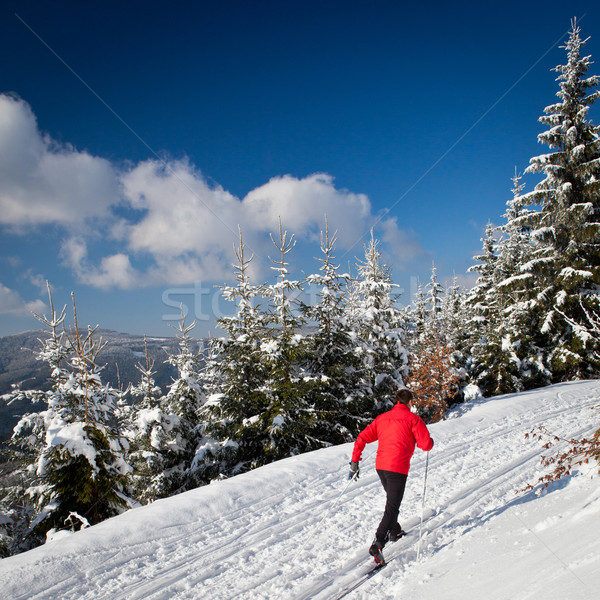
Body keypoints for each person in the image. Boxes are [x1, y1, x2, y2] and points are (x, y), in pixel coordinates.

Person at [348, 388, 433, 563]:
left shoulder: (382, 418)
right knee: (392, 507)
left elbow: (362, 438)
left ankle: (395, 531)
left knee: (392, 501)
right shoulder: (413, 419)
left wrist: (355, 461)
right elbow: (425, 445)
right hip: (397, 469)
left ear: (397, 401)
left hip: (381, 467)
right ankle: (378, 543)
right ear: (410, 402)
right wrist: (430, 442)